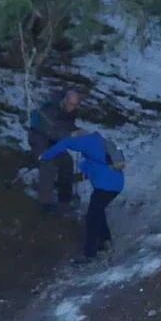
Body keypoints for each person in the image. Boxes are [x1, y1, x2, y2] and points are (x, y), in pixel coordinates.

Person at [40, 127, 125, 261]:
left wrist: (44, 156)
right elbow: (92, 167)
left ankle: (90, 254)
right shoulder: (99, 142)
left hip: (105, 186)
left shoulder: (87, 141)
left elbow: (65, 143)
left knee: (92, 218)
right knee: (98, 212)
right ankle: (105, 242)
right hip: (115, 184)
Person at [27, 87, 82, 212]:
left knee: (67, 161)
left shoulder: (69, 112)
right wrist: (70, 135)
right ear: (65, 100)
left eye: (75, 105)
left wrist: (78, 132)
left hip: (53, 144)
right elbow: (50, 130)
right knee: (48, 163)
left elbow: (67, 126)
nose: (72, 107)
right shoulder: (50, 109)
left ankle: (64, 200)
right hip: (39, 142)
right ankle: (44, 203)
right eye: (71, 104)